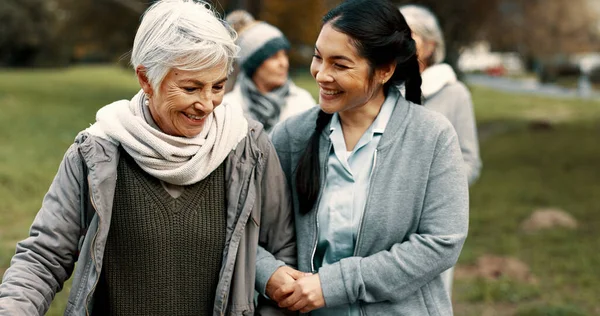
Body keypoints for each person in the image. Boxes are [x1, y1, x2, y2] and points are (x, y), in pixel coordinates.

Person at [0, 1, 299, 315]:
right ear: (145, 79)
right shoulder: (96, 152)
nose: (207, 103)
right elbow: (44, 256)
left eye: (218, 86)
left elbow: (283, 255)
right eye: (191, 87)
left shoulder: (249, 148)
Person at [269, 0, 469, 314]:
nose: (321, 74)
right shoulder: (290, 136)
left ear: (385, 70)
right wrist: (267, 273)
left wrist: (334, 284)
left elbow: (441, 242)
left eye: (340, 64)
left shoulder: (432, 136)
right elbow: (251, 229)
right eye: (318, 57)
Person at [400, 4, 482, 294]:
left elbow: (470, 160)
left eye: (410, 35)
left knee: (431, 295)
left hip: (432, 218)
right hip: (389, 213)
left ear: (431, 44)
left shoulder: (454, 93)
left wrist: (440, 192)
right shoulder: (384, 88)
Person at [223, 19, 316, 133]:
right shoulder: (229, 108)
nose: (284, 63)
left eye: (284, 55)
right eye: (274, 57)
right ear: (254, 64)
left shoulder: (303, 102)